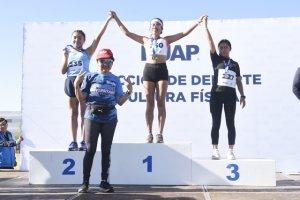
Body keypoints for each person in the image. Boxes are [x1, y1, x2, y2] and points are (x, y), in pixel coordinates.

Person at [111, 11, 205, 143]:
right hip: (148, 70)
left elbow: (184, 33)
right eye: (153, 24)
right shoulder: (145, 40)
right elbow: (127, 33)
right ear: (149, 28)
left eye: (158, 25)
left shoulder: (166, 40)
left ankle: (160, 133)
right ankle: (149, 133)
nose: (155, 26)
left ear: (161, 28)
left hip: (161, 70)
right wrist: (116, 18)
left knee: (161, 103)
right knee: (149, 104)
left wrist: (197, 22)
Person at [75, 48, 133, 193]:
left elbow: (120, 101)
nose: (105, 64)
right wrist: (76, 85)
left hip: (110, 118)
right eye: (102, 61)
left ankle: (104, 182)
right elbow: (81, 98)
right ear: (97, 62)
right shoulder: (90, 77)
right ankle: (85, 183)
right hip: (92, 116)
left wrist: (129, 91)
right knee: (90, 149)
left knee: (106, 150)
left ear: (112, 63)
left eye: (108, 61)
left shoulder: (115, 79)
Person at [60, 13, 113, 151]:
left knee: (85, 113)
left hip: (84, 82)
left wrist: (107, 20)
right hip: (71, 81)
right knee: (73, 113)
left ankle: (83, 141)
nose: (77, 39)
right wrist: (65, 57)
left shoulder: (87, 52)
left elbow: (98, 38)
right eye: (75, 37)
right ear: (72, 39)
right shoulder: (67, 52)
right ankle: (73, 141)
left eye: (80, 37)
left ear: (83, 40)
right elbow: (62, 71)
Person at [202, 15, 246, 160]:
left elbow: (238, 81)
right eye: (221, 47)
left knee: (230, 123)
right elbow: (210, 42)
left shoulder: (235, 64)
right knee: (216, 123)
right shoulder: (216, 59)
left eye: (225, 47)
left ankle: (230, 150)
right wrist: (205, 27)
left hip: (230, 96)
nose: (223, 49)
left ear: (230, 49)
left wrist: (242, 96)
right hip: (216, 95)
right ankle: (215, 150)